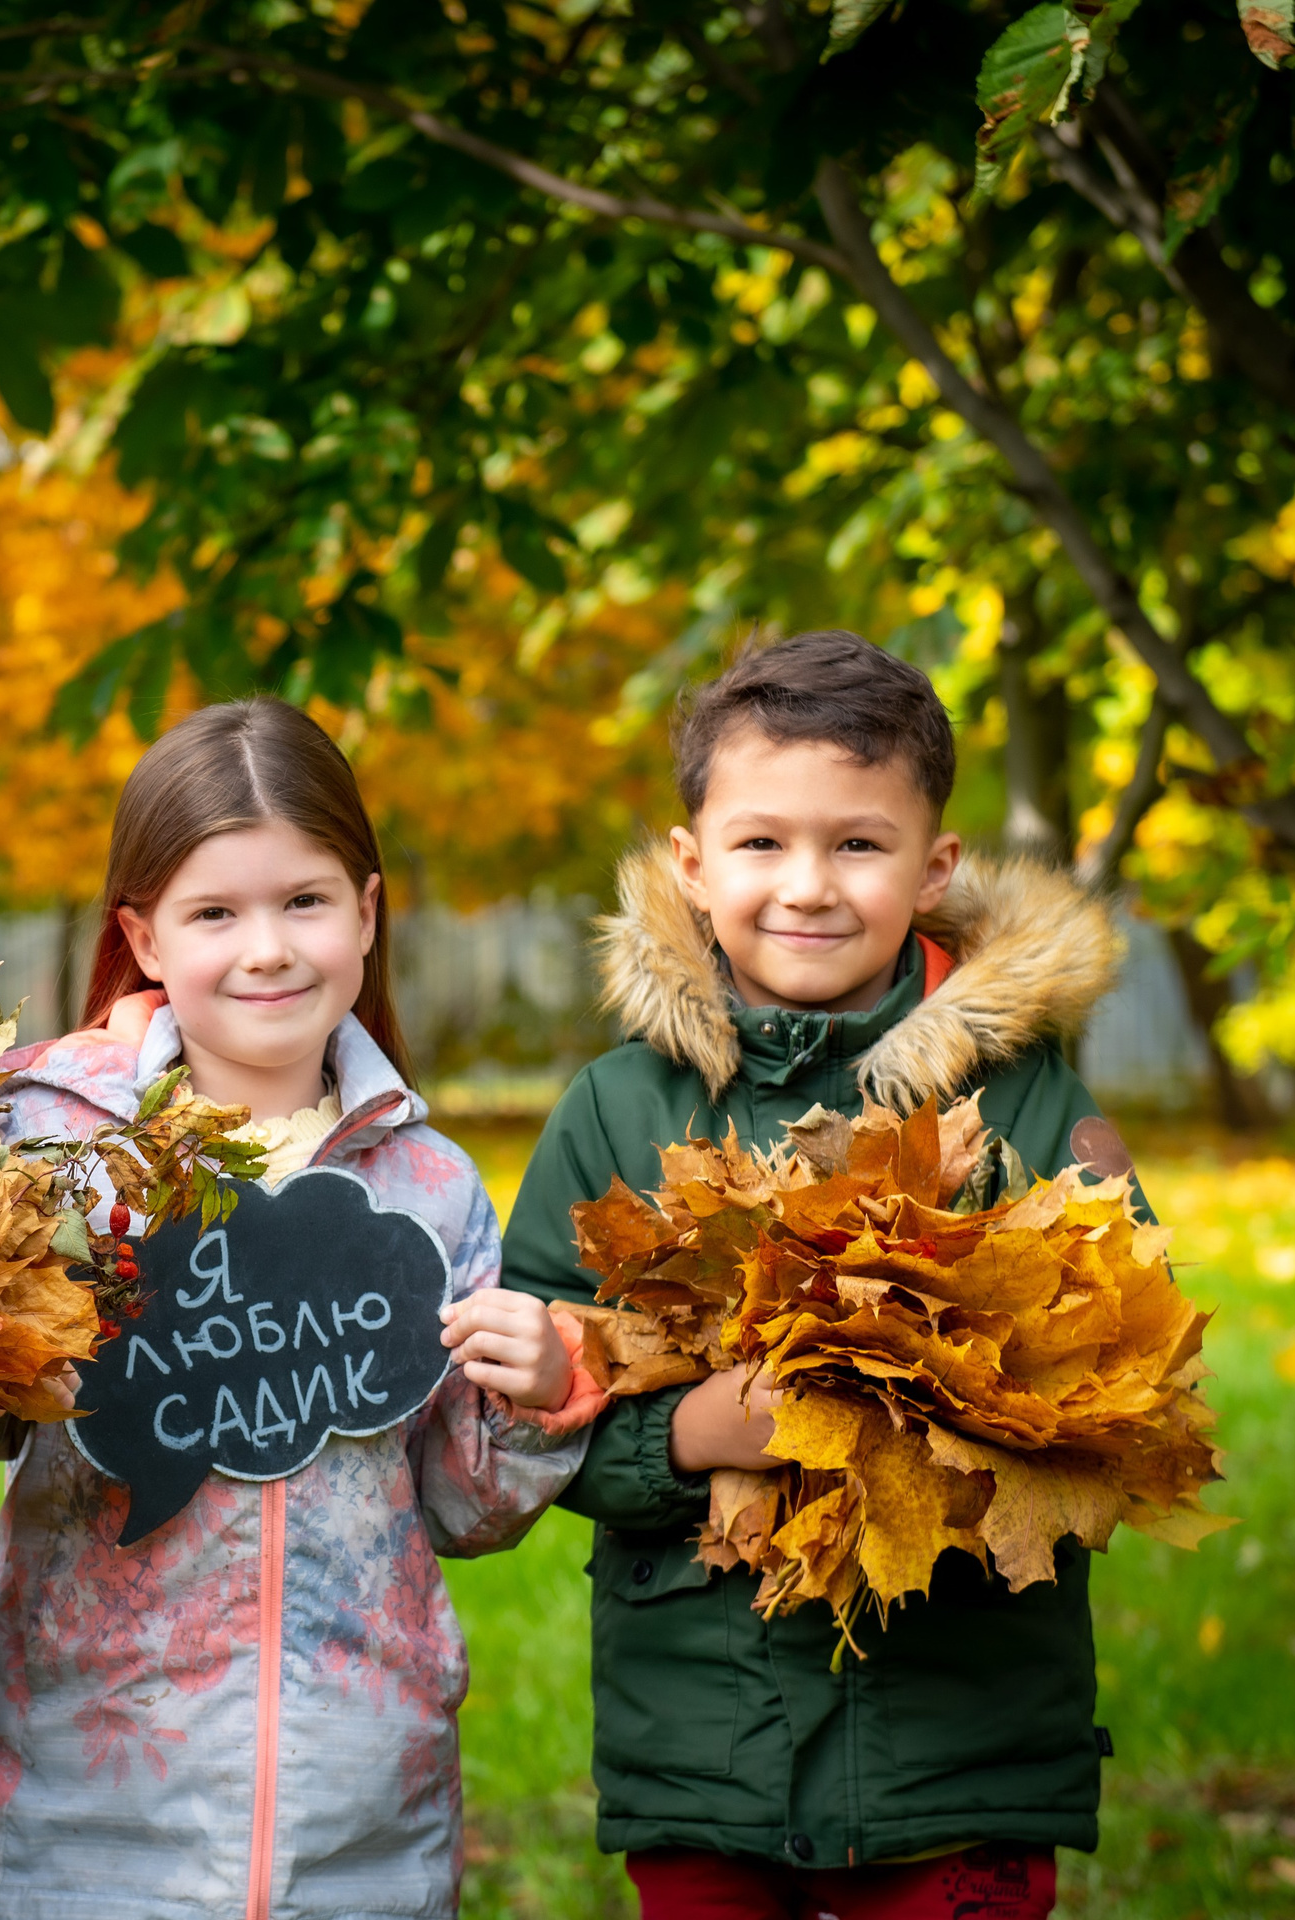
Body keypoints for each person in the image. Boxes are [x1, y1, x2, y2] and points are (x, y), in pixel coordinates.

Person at [0, 697, 603, 1920]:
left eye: (304, 902)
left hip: (356, 1810)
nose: (267, 950)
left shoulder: (428, 1185)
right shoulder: (44, 1143)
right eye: (214, 914)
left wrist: (539, 1403)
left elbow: (458, 1503)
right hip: (80, 1799)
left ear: (367, 911)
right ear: (142, 935)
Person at [503, 630, 1133, 1920]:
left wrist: (939, 1409)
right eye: (759, 844)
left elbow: (1125, 1372)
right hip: (704, 1739)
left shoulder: (1022, 1099)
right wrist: (686, 1431)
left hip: (962, 1740)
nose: (807, 885)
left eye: (857, 844)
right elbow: (534, 1412)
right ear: (691, 864)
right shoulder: (616, 1113)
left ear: (933, 866)